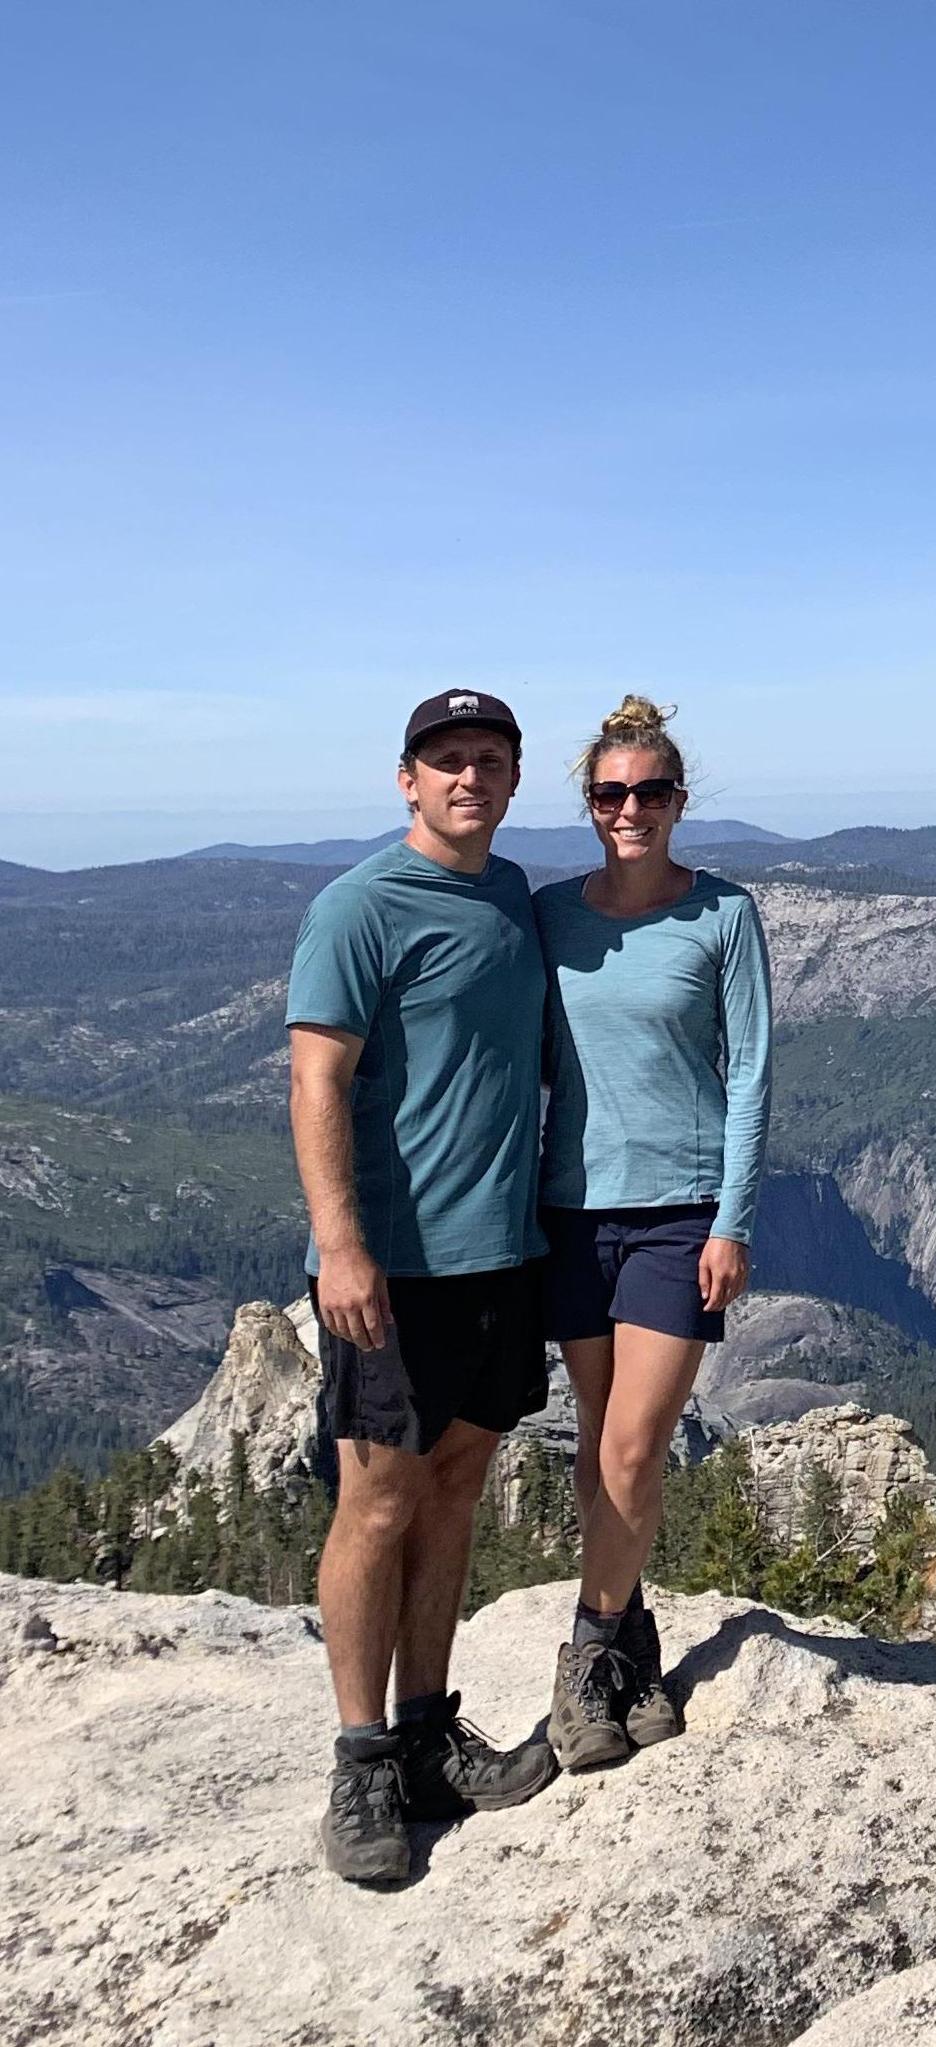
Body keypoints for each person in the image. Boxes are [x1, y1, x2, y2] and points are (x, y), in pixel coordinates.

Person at [288, 689, 559, 1886]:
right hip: (393, 1269)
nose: (468, 778)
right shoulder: (357, 907)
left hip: (501, 1254)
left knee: (455, 1488)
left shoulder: (511, 896)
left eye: (489, 760)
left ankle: (427, 1731)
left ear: (512, 779)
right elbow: (315, 1082)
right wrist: (340, 1246)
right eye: (447, 760)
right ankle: (360, 1765)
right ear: (407, 779)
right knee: (378, 1503)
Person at [533, 695, 772, 1772]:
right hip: (571, 1209)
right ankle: (632, 1647)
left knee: (634, 1447)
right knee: (599, 1447)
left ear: (679, 802)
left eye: (650, 792)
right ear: (590, 804)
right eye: (610, 794)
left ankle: (585, 1658)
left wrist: (733, 1221)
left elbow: (751, 1073)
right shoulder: (549, 915)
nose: (630, 809)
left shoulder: (723, 915)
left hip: (680, 1213)